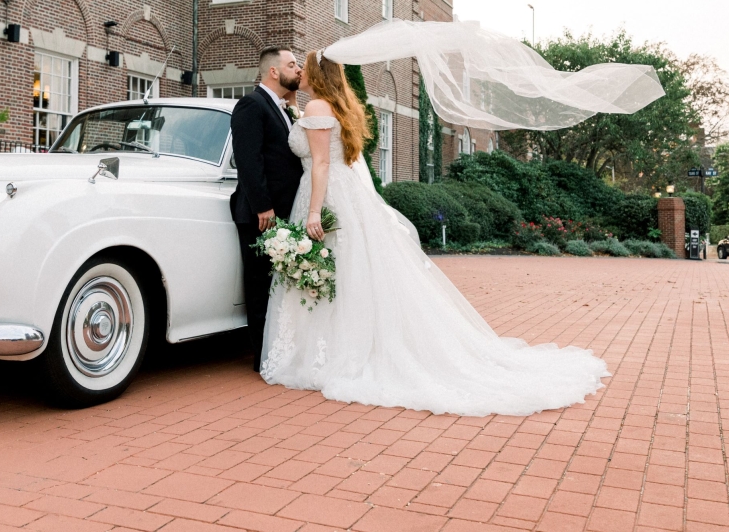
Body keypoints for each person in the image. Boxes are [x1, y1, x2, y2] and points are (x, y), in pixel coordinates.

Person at [258, 52, 611, 417]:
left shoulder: (317, 105)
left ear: (316, 74)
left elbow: (320, 162)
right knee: (348, 274)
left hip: (326, 195)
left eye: (304, 66)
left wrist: (315, 211)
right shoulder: (338, 105)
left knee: (336, 271)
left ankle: (325, 352)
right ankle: (339, 346)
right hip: (345, 194)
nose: (298, 70)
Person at [230, 46, 305, 372]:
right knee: (260, 286)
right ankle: (263, 359)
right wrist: (263, 207)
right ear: (274, 71)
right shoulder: (251, 104)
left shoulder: (281, 107)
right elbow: (249, 160)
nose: (298, 70)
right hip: (261, 215)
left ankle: (280, 350)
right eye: (292, 65)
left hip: (284, 214)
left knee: (279, 285)